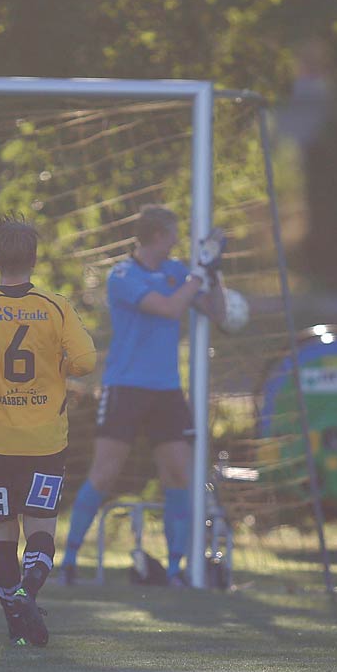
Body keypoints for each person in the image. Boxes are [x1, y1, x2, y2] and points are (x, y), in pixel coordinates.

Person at [57, 204, 224, 586]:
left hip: (165, 390)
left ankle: (177, 569)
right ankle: (67, 562)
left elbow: (215, 312)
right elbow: (167, 308)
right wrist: (198, 275)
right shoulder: (123, 275)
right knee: (104, 474)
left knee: (178, 475)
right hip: (126, 387)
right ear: (158, 237)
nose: (178, 240)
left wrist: (214, 273)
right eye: (174, 233)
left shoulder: (178, 272)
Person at [0, 219, 97, 645]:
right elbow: (86, 361)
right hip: (44, 441)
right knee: (41, 528)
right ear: (34, 260)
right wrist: (64, 366)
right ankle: (27, 592)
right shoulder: (55, 306)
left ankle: (16, 624)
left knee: (2, 532)